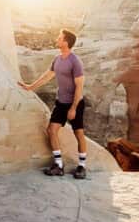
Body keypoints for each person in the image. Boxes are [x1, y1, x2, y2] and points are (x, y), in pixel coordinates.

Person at [18, 28, 88, 179]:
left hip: (75, 103)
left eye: (59, 38)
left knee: (79, 134)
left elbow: (79, 86)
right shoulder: (57, 59)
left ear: (66, 42)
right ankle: (58, 165)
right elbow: (47, 76)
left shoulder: (75, 61)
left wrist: (74, 108)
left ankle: (82, 167)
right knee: (52, 130)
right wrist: (30, 86)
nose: (57, 39)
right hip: (61, 102)